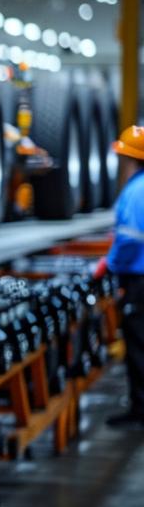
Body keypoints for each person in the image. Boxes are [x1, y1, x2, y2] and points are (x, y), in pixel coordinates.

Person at [104, 126, 144, 428]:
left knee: (138, 344)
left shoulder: (135, 191)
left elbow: (130, 238)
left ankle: (140, 411)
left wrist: (111, 263)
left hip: (138, 280)